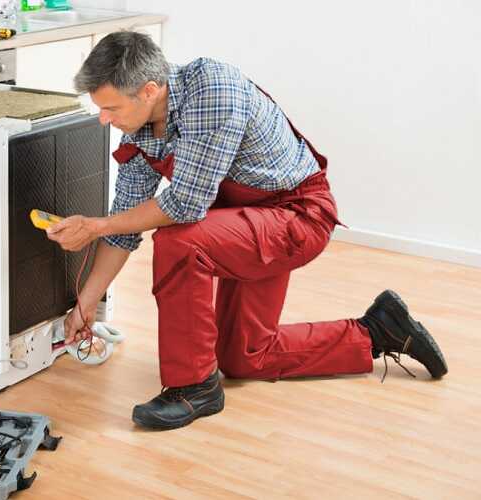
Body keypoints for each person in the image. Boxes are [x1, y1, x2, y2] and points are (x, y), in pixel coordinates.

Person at [45, 31, 447, 430]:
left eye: (110, 107)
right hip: (239, 222)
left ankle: (193, 388)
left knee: (180, 241)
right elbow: (124, 222)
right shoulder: (139, 126)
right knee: (245, 357)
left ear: (148, 90)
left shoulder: (211, 90)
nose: (104, 119)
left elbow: (183, 206)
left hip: (295, 217)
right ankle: (378, 330)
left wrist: (94, 226)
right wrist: (86, 304)